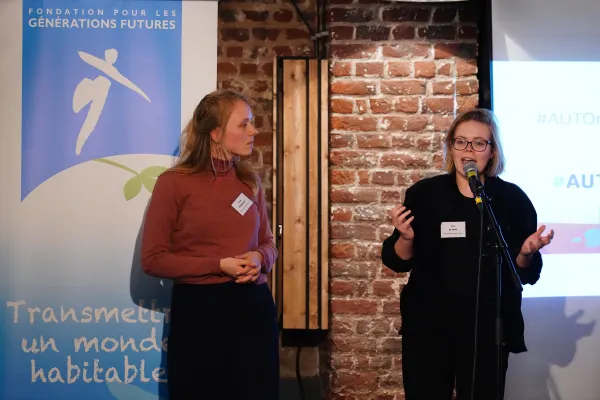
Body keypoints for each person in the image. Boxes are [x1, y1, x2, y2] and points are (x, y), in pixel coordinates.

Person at [381, 108, 554, 399]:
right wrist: (407, 238)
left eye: (478, 143)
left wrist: (526, 252)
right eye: (460, 142)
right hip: (430, 326)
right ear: (451, 147)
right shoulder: (425, 195)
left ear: (492, 151)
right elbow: (396, 260)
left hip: (487, 329)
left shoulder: (512, 200)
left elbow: (526, 274)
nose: (468, 150)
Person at [141, 89, 279, 399]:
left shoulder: (249, 181)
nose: (254, 131)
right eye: (244, 124)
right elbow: (153, 259)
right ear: (215, 134)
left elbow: (268, 243)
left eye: (251, 123)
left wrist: (260, 258)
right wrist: (218, 265)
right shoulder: (174, 183)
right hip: (201, 314)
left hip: (254, 309)